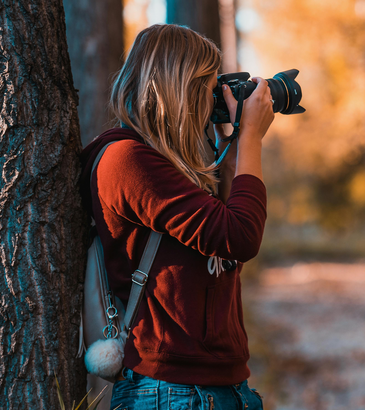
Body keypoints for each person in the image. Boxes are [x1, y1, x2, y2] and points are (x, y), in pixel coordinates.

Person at [79, 24, 273, 409]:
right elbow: (240, 236)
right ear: (179, 86)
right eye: (207, 84)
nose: (213, 97)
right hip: (170, 390)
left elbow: (223, 247)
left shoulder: (173, 167)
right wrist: (250, 137)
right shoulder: (127, 161)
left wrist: (230, 150)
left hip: (221, 385)